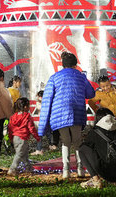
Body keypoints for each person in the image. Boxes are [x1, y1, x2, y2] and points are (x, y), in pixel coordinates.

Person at [38, 51, 95, 180]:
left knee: (65, 142)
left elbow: (47, 100)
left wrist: (42, 126)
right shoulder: (81, 77)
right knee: (77, 141)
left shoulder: (54, 77)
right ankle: (80, 169)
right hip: (77, 112)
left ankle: (66, 171)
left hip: (59, 114)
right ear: (75, 64)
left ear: (62, 65)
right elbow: (90, 94)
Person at [7, 97, 39, 175]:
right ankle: (12, 169)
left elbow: (10, 129)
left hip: (15, 138)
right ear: (25, 107)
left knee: (24, 154)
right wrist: (37, 137)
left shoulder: (13, 117)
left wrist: (11, 138)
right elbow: (31, 128)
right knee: (19, 154)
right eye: (28, 106)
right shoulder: (27, 116)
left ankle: (28, 168)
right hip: (22, 138)